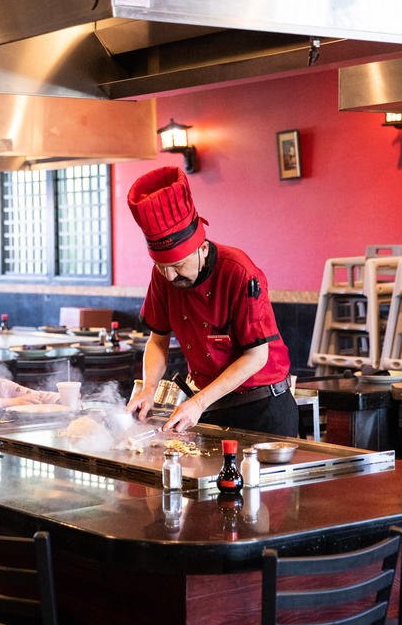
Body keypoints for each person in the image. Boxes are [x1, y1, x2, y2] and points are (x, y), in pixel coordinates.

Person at [124, 166, 298, 437]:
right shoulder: (164, 276)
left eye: (178, 265)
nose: (169, 276)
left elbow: (256, 356)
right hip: (212, 406)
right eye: (161, 266)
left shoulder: (239, 271)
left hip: (263, 408)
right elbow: (158, 340)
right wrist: (148, 390)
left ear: (202, 248)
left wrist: (198, 402)